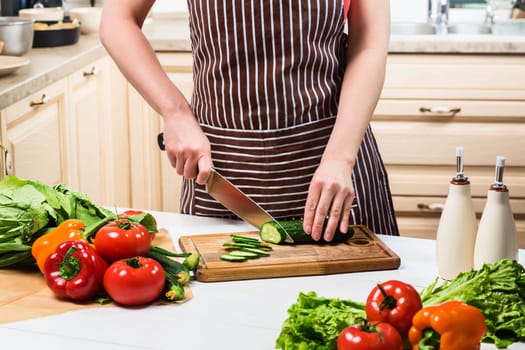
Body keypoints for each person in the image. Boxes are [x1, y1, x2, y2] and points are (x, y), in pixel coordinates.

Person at [99, 0, 399, 241]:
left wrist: (340, 159)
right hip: (222, 169)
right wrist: (175, 112)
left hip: (329, 159)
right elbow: (118, 20)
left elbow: (368, 45)